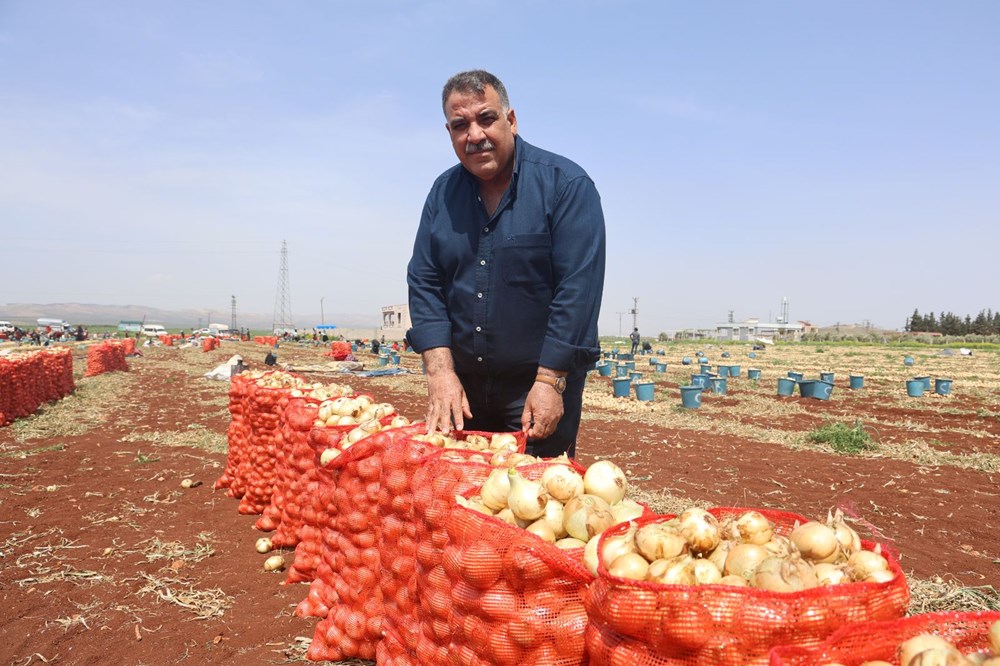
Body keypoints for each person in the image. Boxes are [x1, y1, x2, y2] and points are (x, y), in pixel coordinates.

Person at [406, 69, 606, 458]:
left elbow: (577, 292)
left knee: (534, 504)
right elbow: (424, 279)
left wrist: (550, 381)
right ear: (449, 133)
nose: (474, 135)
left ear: (510, 120)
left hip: (536, 388)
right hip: (463, 391)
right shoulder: (442, 194)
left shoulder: (565, 186)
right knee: (462, 502)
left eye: (486, 118)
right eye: (459, 125)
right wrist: (439, 372)